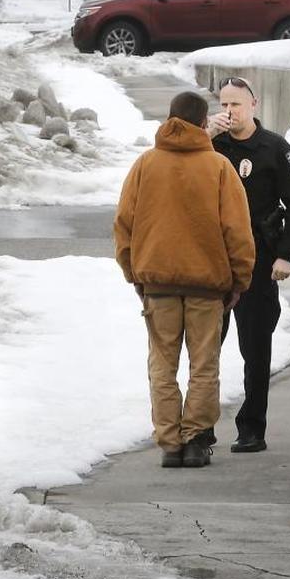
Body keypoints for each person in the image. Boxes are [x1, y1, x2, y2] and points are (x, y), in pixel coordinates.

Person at [115, 91, 255, 469]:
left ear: (168, 119)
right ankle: (195, 441)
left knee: (162, 365)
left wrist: (134, 274)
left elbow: (124, 226)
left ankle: (169, 444)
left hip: (157, 285)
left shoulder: (145, 165)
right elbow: (237, 231)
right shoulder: (219, 167)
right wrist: (239, 280)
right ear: (202, 122)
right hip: (207, 287)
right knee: (203, 364)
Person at [206, 76, 290, 453]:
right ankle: (202, 428)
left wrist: (286, 254)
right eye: (224, 104)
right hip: (213, 261)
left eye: (236, 104)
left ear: (254, 105)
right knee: (206, 349)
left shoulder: (275, 150)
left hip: (258, 259)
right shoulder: (210, 146)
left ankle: (252, 427)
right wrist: (203, 136)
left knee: (255, 346)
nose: (229, 111)